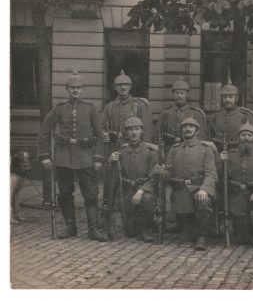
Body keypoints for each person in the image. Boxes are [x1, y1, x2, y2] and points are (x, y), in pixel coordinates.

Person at [37, 70, 108, 241]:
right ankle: (71, 228)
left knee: (91, 193)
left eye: (79, 88)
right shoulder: (59, 109)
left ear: (83, 89)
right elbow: (44, 132)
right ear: (67, 89)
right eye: (72, 88)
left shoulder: (90, 109)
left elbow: (100, 136)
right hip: (63, 157)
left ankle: (93, 230)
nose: (75, 91)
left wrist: (98, 158)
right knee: (65, 193)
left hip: (85, 156)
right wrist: (45, 156)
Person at [154, 117, 218, 250]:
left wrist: (204, 189)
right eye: (185, 127)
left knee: (203, 202)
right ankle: (188, 230)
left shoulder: (206, 149)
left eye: (191, 126)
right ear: (181, 130)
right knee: (186, 231)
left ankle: (202, 236)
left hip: (198, 188)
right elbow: (170, 172)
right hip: (180, 190)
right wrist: (162, 172)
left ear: (197, 130)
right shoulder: (175, 149)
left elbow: (211, 173)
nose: (188, 129)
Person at [219, 123, 253, 251]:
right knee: (242, 240)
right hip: (236, 193)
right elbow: (221, 180)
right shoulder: (229, 155)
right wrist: (221, 163)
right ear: (238, 138)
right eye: (243, 135)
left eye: (249, 135)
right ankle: (246, 233)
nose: (246, 138)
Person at [108, 116, 158, 242]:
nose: (134, 132)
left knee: (147, 199)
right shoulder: (121, 152)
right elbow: (114, 178)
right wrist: (110, 162)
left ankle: (145, 228)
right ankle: (137, 223)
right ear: (126, 133)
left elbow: (154, 177)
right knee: (130, 232)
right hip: (126, 190)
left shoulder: (151, 152)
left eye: (137, 129)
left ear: (142, 131)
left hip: (145, 189)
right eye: (130, 130)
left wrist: (141, 191)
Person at [102, 69, 153, 150]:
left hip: (134, 147)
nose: (123, 87)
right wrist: (104, 135)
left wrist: (144, 150)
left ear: (130, 87)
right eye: (120, 85)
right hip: (113, 147)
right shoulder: (109, 106)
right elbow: (102, 127)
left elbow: (146, 131)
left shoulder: (139, 105)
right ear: (115, 87)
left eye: (126, 84)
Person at [155, 78, 207, 154]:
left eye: (182, 93)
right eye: (176, 93)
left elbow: (201, 138)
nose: (179, 95)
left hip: (190, 151)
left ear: (187, 95)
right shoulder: (165, 113)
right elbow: (157, 136)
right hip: (169, 151)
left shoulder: (196, 113)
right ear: (173, 94)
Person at [208, 78, 253, 150]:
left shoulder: (244, 116)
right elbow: (209, 138)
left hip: (238, 153)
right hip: (219, 153)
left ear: (236, 98)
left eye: (231, 97)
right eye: (225, 97)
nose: (227, 99)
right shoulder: (215, 117)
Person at [11, 151, 33, 223]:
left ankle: (17, 214)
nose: (27, 162)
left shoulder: (21, 175)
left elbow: (16, 194)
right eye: (25, 159)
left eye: (28, 159)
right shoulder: (14, 177)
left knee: (16, 194)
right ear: (18, 162)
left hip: (20, 174)